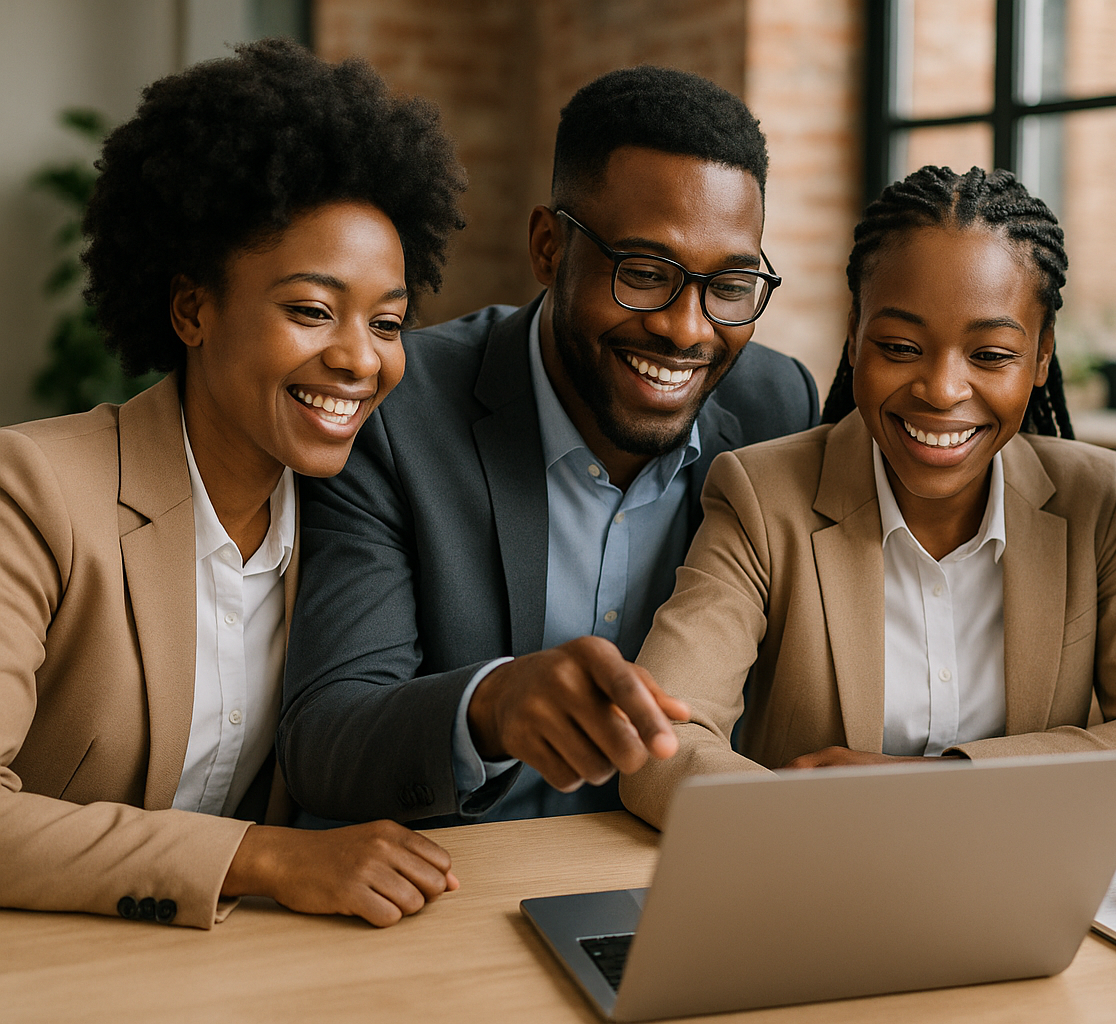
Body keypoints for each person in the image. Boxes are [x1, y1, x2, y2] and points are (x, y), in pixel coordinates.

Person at [0, 40, 468, 928]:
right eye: (312, 311)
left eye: (388, 323)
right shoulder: (33, 492)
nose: (360, 359)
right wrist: (264, 858)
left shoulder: (349, 524)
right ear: (193, 309)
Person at [278, 66, 820, 827]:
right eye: (643, 273)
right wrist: (489, 707)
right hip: (462, 875)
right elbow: (325, 739)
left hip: (679, 861)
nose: (686, 328)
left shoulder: (778, 404)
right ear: (547, 247)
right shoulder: (396, 410)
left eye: (730, 286)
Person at [620, 166, 1116, 825]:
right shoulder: (762, 498)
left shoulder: (1093, 499)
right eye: (900, 346)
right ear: (854, 336)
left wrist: (936, 785)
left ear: (1041, 356)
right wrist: (807, 823)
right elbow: (658, 742)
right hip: (820, 871)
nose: (942, 390)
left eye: (990, 354)